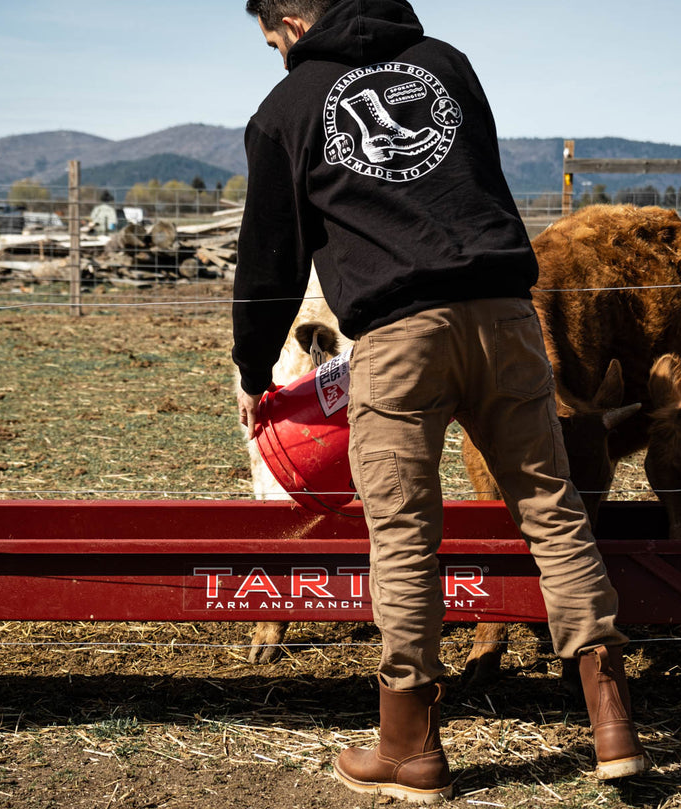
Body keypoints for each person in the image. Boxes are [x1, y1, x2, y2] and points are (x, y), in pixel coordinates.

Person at [234, 0, 649, 801]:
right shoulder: (445, 62)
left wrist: (256, 371)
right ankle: (614, 724)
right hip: (507, 316)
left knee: (403, 534)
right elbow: (477, 181)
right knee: (552, 506)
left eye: (272, 40)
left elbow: (269, 260)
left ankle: (410, 748)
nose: (277, 54)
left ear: (291, 20)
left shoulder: (287, 107)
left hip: (399, 336)